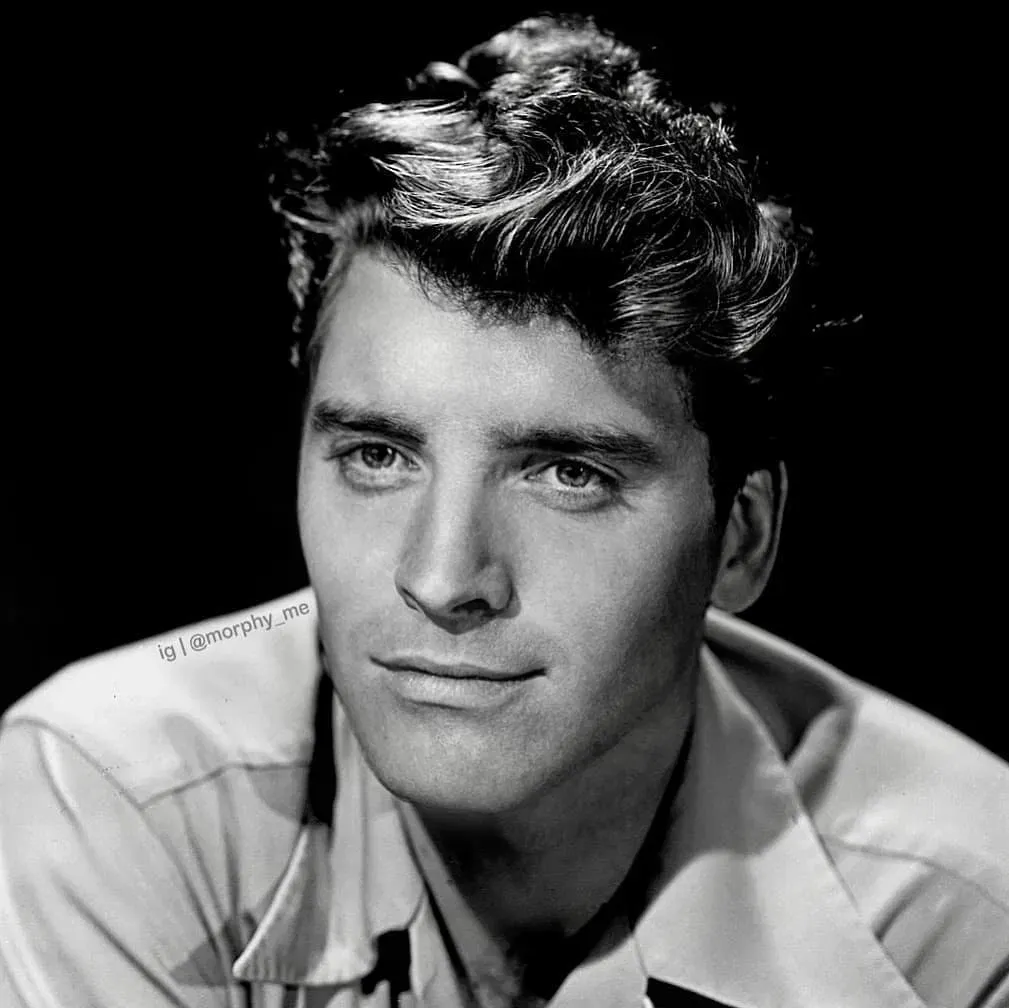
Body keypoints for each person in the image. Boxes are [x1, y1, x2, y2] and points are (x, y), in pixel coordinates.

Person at [1, 15, 1006, 1008]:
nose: (442, 581)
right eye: (377, 456)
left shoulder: (963, 920)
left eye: (568, 474)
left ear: (739, 537)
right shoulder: (117, 796)